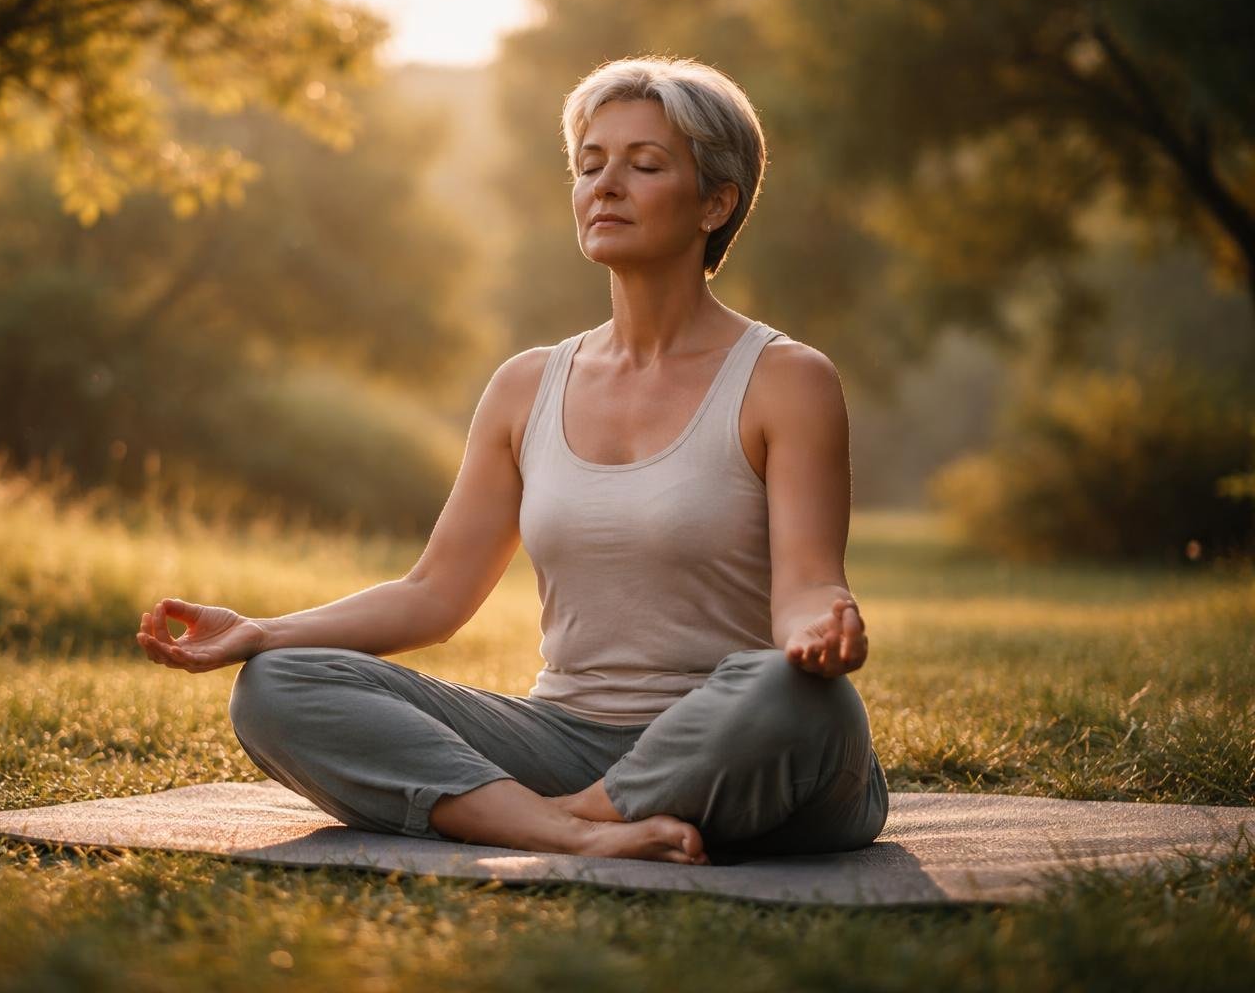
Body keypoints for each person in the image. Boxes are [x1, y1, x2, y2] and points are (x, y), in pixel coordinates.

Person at [136, 55, 886, 867]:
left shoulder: (785, 379)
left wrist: (823, 631)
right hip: (563, 738)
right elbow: (434, 595)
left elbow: (808, 586)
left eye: (644, 165)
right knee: (281, 685)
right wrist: (262, 632)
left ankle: (556, 818)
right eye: (590, 164)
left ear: (716, 201)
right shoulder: (527, 385)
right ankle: (565, 829)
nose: (605, 185)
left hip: (739, 746)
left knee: (803, 698)